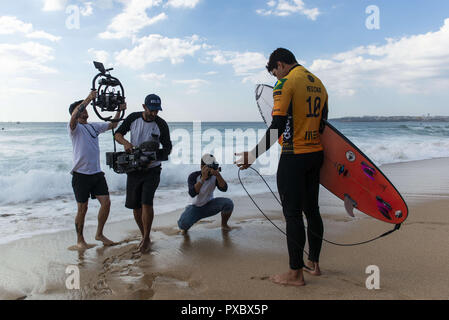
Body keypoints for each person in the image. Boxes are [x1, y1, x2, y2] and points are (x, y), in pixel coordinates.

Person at [236, 48, 329, 286]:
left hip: (293, 156)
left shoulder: (285, 83)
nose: (276, 79)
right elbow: (322, 124)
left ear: (280, 64)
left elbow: (276, 125)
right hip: (315, 154)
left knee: (292, 214)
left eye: (275, 73)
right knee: (312, 210)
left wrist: (252, 155)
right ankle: (314, 264)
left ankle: (295, 274)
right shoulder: (318, 83)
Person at [68, 89, 126, 250]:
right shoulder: (74, 128)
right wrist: (88, 98)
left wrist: (120, 110)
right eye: (82, 108)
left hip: (96, 173)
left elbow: (113, 125)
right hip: (81, 174)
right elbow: (73, 117)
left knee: (106, 202)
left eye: (86, 108)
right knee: (83, 208)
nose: (85, 111)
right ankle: (80, 240)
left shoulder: (93, 127)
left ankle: (99, 234)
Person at [114, 94, 172, 253]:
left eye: (157, 111)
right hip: (133, 168)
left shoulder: (161, 124)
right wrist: (126, 143)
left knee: (147, 202)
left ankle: (146, 238)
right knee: (136, 205)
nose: (154, 114)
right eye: (152, 110)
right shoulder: (133, 118)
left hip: (152, 169)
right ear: (144, 107)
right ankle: (143, 234)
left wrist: (151, 155)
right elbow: (117, 134)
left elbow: (167, 149)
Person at [178, 154, 234, 233]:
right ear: (201, 166)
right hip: (194, 207)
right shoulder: (193, 176)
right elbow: (192, 193)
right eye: (209, 166)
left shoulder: (215, 176)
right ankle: (190, 220)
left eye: (212, 166)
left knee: (228, 203)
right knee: (182, 225)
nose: (211, 169)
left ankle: (224, 225)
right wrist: (203, 178)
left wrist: (218, 175)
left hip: (209, 205)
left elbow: (224, 188)